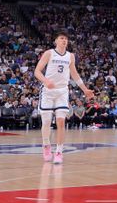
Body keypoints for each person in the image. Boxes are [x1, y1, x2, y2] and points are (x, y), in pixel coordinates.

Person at [33, 30, 95, 165]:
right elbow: (37, 71)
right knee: (47, 123)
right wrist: (46, 81)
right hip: (48, 92)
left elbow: (74, 74)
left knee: (61, 122)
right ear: (56, 41)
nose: (64, 40)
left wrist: (85, 89)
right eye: (61, 38)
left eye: (66, 38)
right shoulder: (49, 53)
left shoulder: (70, 56)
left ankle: (59, 152)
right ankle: (46, 146)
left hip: (62, 91)